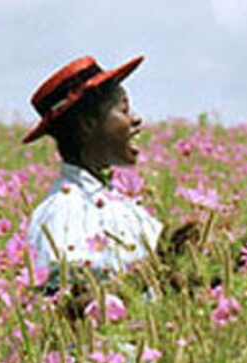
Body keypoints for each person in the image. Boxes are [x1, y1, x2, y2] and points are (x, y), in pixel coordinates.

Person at [22, 54, 164, 311]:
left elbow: (178, 277)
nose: (136, 119)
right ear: (87, 125)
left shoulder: (123, 205)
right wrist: (155, 268)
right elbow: (63, 307)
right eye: (123, 110)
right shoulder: (63, 210)